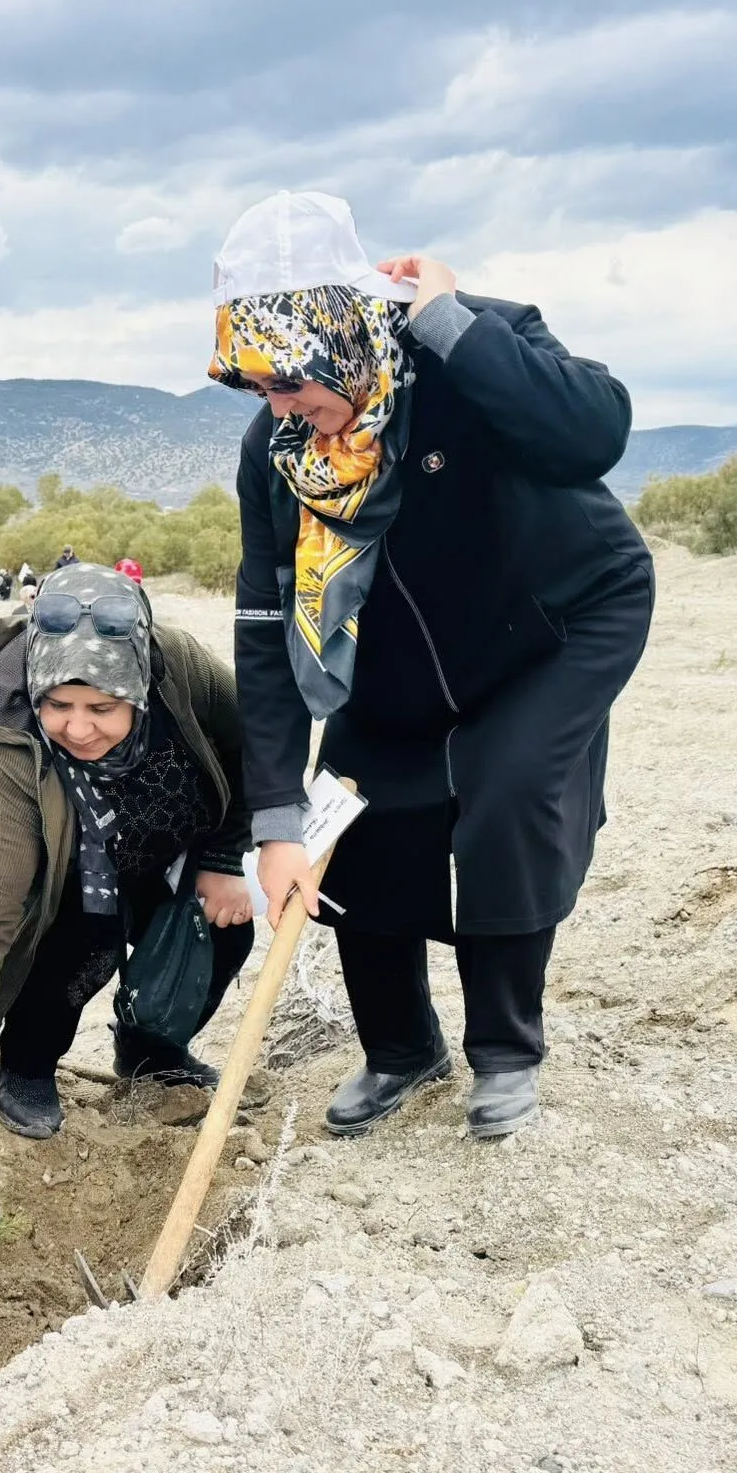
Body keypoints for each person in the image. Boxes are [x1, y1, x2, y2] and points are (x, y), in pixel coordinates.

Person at [211, 191, 654, 1142]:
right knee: (355, 825)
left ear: (345, 337)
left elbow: (595, 432)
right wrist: (278, 816)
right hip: (399, 668)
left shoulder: (473, 344)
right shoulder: (277, 454)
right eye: (258, 389)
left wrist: (450, 325)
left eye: (290, 381)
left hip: (556, 627)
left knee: (504, 792)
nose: (282, 408)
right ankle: (404, 1051)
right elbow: (264, 623)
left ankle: (505, 1052)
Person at [0, 564, 256, 1154]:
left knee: (223, 931)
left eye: (102, 708)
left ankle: (150, 1049)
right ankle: (27, 1066)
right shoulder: (3, 747)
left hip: (155, 844)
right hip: (56, 864)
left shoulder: (179, 668)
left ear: (139, 690)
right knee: (80, 945)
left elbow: (248, 747)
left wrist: (225, 858)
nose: (78, 728)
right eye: (59, 704)